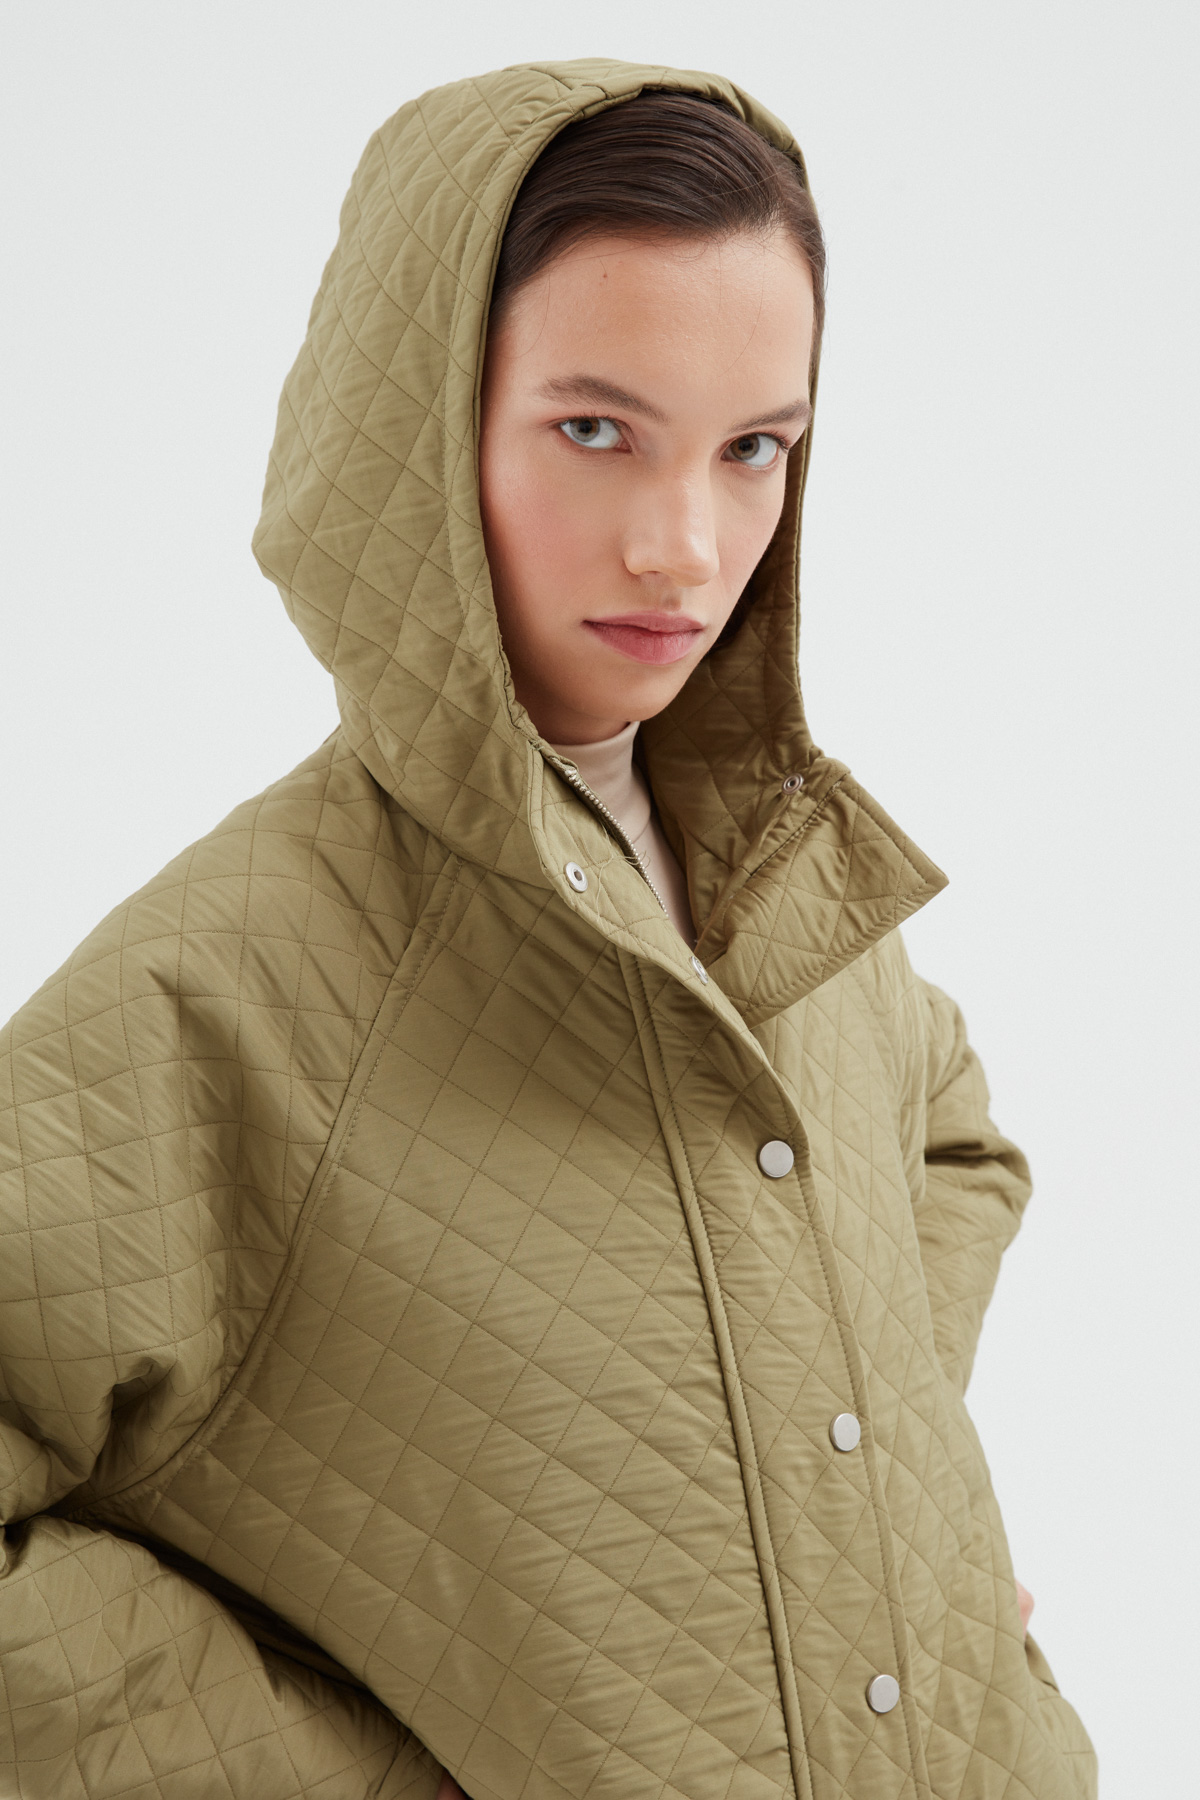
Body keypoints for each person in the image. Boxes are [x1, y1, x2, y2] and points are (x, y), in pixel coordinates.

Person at [0, 57, 1095, 1800]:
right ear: (418, 433)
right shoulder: (231, 984)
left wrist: (877, 1522)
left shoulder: (779, 874)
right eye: (597, 431)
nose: (687, 547)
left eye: (755, 449)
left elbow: (954, 1143)